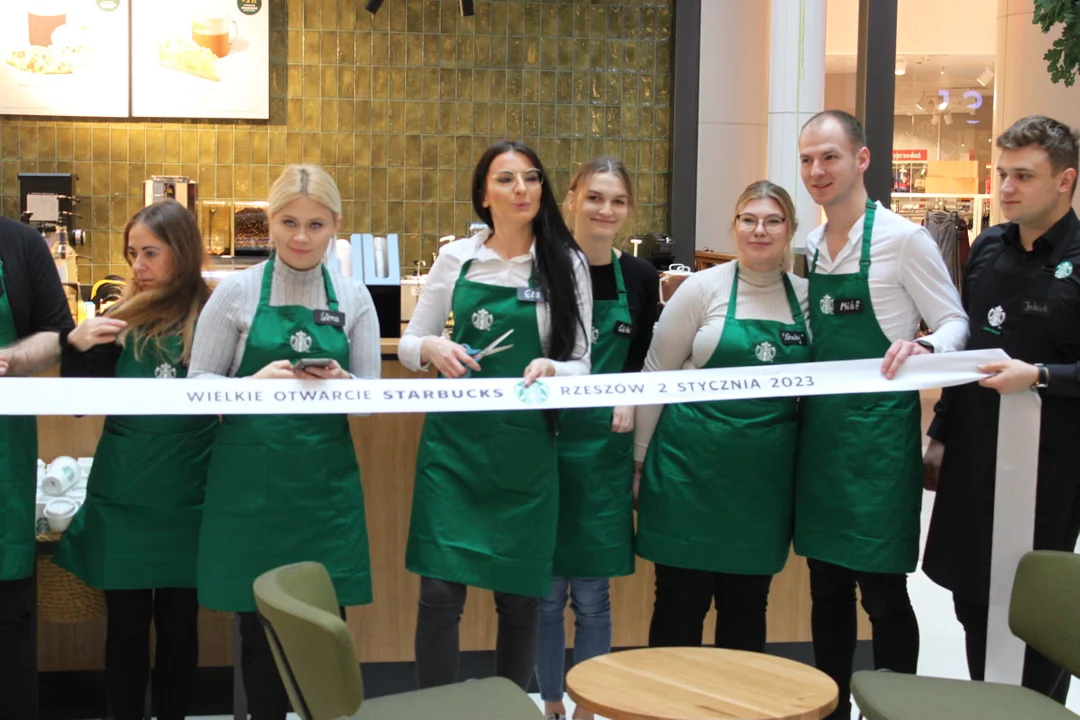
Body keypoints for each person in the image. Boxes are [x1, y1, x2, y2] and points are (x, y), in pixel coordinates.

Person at [398, 140, 592, 691]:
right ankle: (437, 707)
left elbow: (582, 363)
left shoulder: (565, 261)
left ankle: (510, 705)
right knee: (438, 593)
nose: (521, 189)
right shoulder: (456, 258)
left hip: (525, 450)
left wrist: (553, 369)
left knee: (518, 597)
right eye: (506, 179)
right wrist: (433, 349)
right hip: (453, 447)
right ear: (484, 193)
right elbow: (411, 345)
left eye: (531, 178)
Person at [189, 165, 380, 720]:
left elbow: (370, 400)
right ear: (268, 223)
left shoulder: (353, 297)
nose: (301, 237)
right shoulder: (235, 293)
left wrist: (346, 385)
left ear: (336, 226)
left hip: (323, 488)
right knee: (258, 631)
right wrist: (249, 387)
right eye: (288, 222)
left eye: (315, 224)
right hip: (252, 491)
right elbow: (198, 389)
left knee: (324, 626)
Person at [795, 110, 968, 719]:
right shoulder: (810, 249)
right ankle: (830, 709)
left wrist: (925, 347)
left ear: (862, 160)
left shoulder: (903, 239)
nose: (818, 171)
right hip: (821, 441)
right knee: (826, 589)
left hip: (878, 442)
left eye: (830, 157)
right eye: (808, 160)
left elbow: (955, 321)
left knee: (884, 592)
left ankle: (897, 709)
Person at [923, 115, 1080, 704]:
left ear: (1064, 181)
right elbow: (964, 346)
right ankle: (988, 704)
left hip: (1050, 468)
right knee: (972, 595)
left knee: (1031, 607)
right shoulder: (987, 247)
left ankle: (1035, 711)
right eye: (1000, 174)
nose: (1005, 188)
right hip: (974, 455)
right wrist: (938, 432)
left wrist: (1038, 376)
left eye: (1023, 176)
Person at [53, 200, 217, 720]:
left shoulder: (216, 314)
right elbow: (78, 408)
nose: (138, 265)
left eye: (151, 253)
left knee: (178, 626)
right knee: (123, 628)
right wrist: (77, 346)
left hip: (189, 496)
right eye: (132, 254)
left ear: (183, 253)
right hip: (123, 496)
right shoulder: (117, 319)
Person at [634, 181, 809, 656]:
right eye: (748, 219)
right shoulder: (701, 289)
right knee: (677, 607)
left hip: (761, 486)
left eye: (773, 220)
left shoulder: (808, 299)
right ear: (734, 226)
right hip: (687, 474)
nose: (760, 230)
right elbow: (656, 375)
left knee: (747, 610)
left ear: (790, 229)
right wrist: (638, 462)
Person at [537, 157, 658, 720]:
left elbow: (643, 357)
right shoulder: (544, 268)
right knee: (545, 594)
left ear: (628, 209)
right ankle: (551, 700)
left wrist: (630, 395)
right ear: (571, 198)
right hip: (548, 441)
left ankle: (589, 703)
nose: (604, 210)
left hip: (606, 448)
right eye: (594, 198)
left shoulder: (639, 277)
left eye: (616, 200)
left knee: (592, 596)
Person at [0, 217, 74, 719]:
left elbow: (57, 333)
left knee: (9, 613)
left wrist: (9, 358)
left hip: (4, 454)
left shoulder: (19, 244)